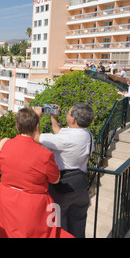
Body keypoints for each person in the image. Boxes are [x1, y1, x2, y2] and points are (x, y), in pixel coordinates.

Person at [0, 108, 73, 238]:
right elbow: (55, 179)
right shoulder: (45, 155)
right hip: (33, 205)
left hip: (6, 198)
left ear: (17, 126)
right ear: (36, 127)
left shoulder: (2, 145)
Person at [34, 102, 95, 238]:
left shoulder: (65, 139)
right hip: (81, 188)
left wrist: (36, 118)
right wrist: (53, 118)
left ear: (73, 119)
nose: (66, 114)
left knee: (57, 227)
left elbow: (36, 137)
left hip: (61, 190)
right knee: (78, 227)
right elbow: (60, 133)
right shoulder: (88, 135)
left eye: (68, 113)